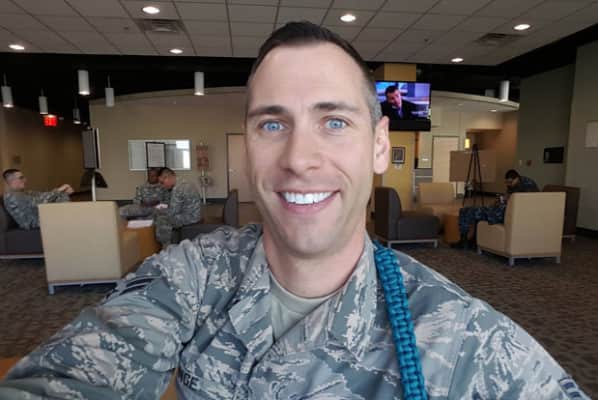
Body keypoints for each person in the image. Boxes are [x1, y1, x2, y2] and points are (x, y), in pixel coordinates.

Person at [0, 22, 587, 400]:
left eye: (335, 122)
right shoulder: (191, 276)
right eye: (273, 124)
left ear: (378, 145)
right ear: (249, 145)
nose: (299, 159)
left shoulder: (464, 337)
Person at [457, 169, 540, 248]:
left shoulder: (528, 185)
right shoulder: (513, 184)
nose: (508, 184)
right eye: (507, 182)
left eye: (510, 182)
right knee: (465, 210)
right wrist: (500, 200)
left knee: (471, 212)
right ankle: (468, 240)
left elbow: (525, 204)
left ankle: (466, 242)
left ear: (517, 178)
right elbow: (508, 197)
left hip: (506, 214)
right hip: (503, 210)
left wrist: (506, 201)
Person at [2, 168, 72, 230]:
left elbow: (43, 195)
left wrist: (63, 191)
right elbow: (39, 202)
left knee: (62, 197)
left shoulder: (24, 193)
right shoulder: (11, 196)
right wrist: (59, 190)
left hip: (42, 218)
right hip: (34, 224)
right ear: (11, 181)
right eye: (21, 178)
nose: (25, 180)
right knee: (68, 217)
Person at [153, 167, 201, 246]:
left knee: (161, 219)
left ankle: (167, 246)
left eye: (162, 182)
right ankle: (174, 240)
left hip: (190, 218)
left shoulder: (177, 189)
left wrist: (160, 210)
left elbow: (173, 212)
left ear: (167, 178)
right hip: (195, 214)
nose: (162, 186)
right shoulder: (184, 182)